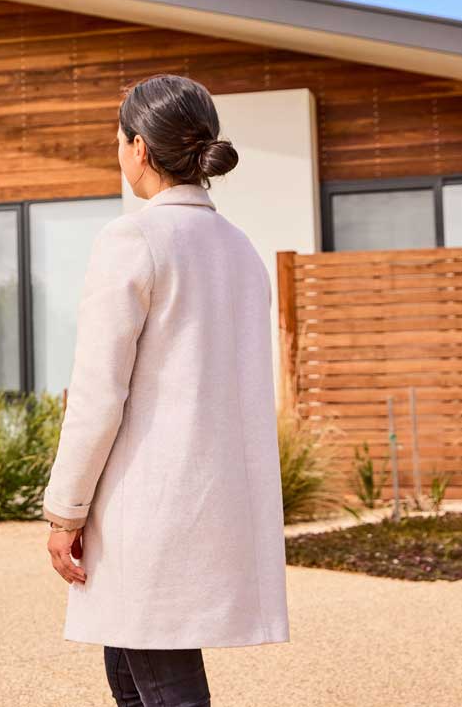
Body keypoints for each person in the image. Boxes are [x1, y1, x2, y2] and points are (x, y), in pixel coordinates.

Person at [42, 74, 289, 707]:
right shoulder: (240, 250)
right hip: (214, 497)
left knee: (164, 685)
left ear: (140, 150)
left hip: (147, 506)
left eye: (119, 140)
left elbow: (98, 393)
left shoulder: (134, 239)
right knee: (132, 673)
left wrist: (66, 510)